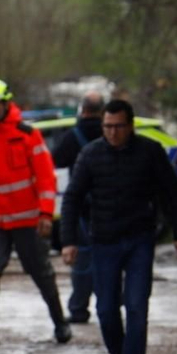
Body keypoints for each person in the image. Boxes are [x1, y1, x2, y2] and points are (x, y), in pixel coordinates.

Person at [60, 99, 177, 354]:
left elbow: (173, 194)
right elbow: (72, 198)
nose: (113, 132)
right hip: (103, 241)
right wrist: (68, 241)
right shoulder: (91, 154)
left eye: (119, 126)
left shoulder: (149, 152)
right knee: (106, 309)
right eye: (108, 126)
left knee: (136, 306)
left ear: (130, 126)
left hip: (138, 240)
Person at [0, 78, 71, 348]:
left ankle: (60, 323)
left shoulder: (27, 135)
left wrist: (45, 214)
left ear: (5, 103)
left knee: (41, 272)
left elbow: (46, 177)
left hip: (27, 219)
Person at [47, 91, 107, 325]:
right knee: (110, 259)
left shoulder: (73, 136)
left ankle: (79, 308)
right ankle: (110, 303)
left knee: (82, 261)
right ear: (102, 111)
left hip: (83, 208)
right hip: (110, 207)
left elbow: (56, 160)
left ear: (83, 110)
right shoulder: (112, 132)